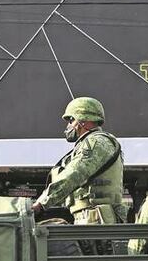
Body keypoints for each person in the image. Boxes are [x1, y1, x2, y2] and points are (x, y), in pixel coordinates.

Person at [31, 97, 126, 230]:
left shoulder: (96, 143)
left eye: (71, 120)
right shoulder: (93, 143)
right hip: (92, 217)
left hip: (96, 219)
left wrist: (41, 204)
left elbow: (73, 174)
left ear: (83, 121)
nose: (69, 125)